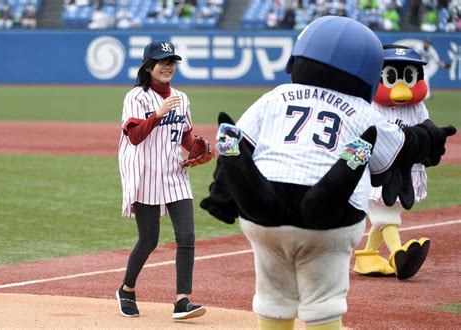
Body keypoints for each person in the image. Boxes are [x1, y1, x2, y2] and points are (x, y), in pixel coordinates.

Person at [200, 16, 456, 330]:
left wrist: (224, 195)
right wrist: (430, 138)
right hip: (328, 217)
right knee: (323, 303)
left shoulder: (275, 96)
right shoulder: (363, 111)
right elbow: (400, 149)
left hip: (263, 212)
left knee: (273, 296)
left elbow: (238, 142)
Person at [117, 40, 210, 320]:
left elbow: (185, 135)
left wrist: (195, 149)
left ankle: (182, 301)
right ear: (148, 67)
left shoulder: (182, 98)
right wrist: (157, 115)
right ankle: (127, 289)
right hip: (144, 174)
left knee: (187, 236)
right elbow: (134, 136)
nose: (168, 66)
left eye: (172, 61)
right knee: (148, 239)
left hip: (174, 173)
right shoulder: (137, 97)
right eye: (162, 61)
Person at [354, 45, 432, 280]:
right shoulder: (371, 105)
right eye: (391, 77)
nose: (401, 86)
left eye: (408, 77)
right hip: (380, 170)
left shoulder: (418, 107)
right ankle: (399, 254)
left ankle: (367, 256)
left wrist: (428, 148)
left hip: (408, 171)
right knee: (386, 212)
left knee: (388, 211)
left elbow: (426, 129)